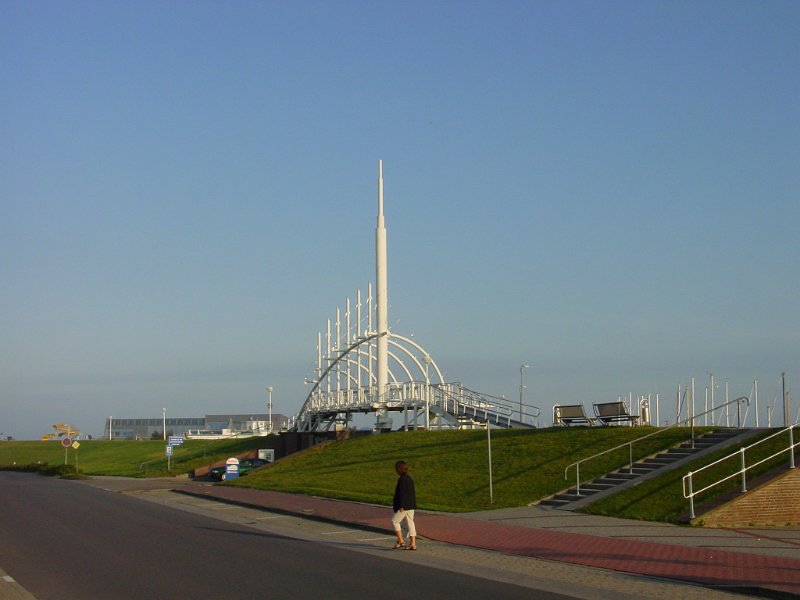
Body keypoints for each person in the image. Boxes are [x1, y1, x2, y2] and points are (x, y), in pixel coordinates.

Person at [391, 460, 417, 550]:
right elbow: (411, 493)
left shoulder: (402, 479)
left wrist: (401, 506)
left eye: (396, 468)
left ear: (399, 469)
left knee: (395, 521)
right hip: (411, 505)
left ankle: (401, 541)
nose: (395, 470)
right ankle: (413, 543)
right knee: (410, 522)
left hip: (404, 506)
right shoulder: (409, 478)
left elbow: (402, 493)